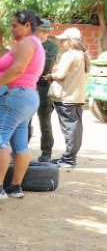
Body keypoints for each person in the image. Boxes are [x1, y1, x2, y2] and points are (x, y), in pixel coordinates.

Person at [0, 10, 45, 202]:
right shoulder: (35, 43)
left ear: (28, 25)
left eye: (15, 25)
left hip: (15, 96)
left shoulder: (27, 43)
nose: (12, 29)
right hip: (27, 97)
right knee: (20, 143)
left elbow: (17, 69)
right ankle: (15, 187)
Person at [45, 27, 90, 168]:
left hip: (66, 97)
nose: (61, 42)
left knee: (69, 129)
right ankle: (70, 158)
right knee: (75, 129)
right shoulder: (82, 54)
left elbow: (60, 74)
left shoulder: (69, 55)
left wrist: (50, 76)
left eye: (64, 40)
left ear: (71, 41)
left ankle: (68, 160)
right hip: (76, 97)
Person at [29, 19, 59, 162]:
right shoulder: (29, 43)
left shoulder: (52, 46)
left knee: (44, 122)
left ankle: (46, 152)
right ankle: (20, 149)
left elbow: (46, 66)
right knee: (24, 120)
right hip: (29, 86)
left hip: (43, 88)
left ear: (44, 32)